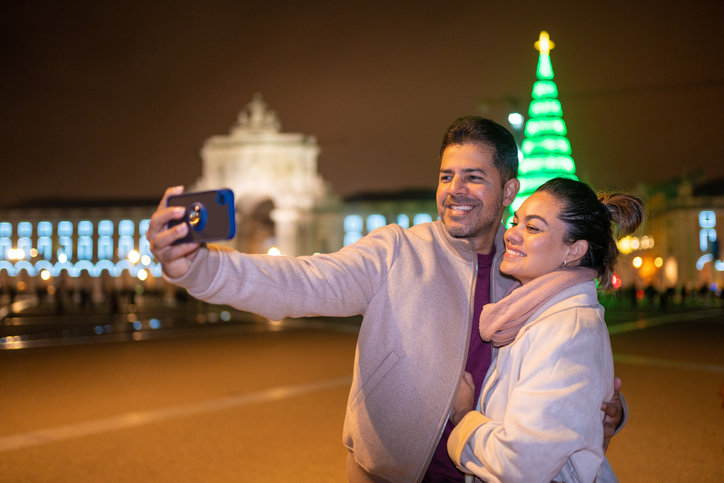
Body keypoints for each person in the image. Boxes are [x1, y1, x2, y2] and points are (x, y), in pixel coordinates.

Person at [148, 117, 625, 482]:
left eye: (474, 177)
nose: (455, 190)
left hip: (477, 472)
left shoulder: (527, 271)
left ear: (509, 192)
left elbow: (565, 363)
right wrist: (199, 267)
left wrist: (603, 411)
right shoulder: (397, 250)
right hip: (388, 475)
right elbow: (303, 281)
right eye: (446, 176)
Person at [447, 177, 644, 482]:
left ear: (574, 250)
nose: (511, 234)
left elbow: (520, 465)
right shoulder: (528, 311)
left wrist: (462, 414)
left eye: (533, 228)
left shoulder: (567, 331)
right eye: (515, 222)